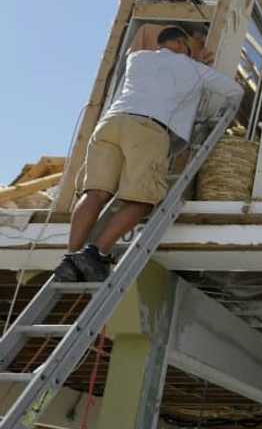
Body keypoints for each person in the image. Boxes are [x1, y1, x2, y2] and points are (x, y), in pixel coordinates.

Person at [53, 26, 243, 282]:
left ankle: (70, 257)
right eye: (188, 45)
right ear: (179, 43)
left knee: (95, 193)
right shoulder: (195, 69)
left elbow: (144, 38)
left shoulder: (137, 59)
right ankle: (95, 252)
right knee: (141, 199)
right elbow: (235, 91)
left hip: (110, 125)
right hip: (147, 130)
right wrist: (197, 67)